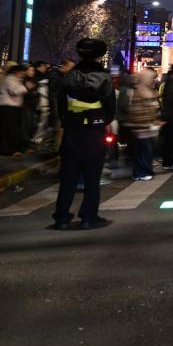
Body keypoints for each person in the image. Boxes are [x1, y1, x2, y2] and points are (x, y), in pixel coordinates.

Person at [51, 38, 117, 230]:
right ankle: (89, 217)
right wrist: (102, 120)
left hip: (72, 131)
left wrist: (66, 121)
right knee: (92, 177)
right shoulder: (103, 78)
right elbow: (110, 108)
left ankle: (62, 217)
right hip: (94, 132)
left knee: (68, 177)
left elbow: (61, 104)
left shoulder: (70, 76)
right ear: (100, 55)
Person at [118, 68, 161, 181]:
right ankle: (140, 173)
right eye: (152, 78)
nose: (153, 80)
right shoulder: (137, 91)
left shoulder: (149, 90)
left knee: (146, 151)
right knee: (142, 151)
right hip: (140, 127)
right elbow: (136, 110)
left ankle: (144, 171)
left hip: (149, 127)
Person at [0, 64, 29, 155]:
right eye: (22, 72)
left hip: (12, 107)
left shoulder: (16, 80)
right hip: (7, 107)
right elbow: (14, 91)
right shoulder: (9, 79)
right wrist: (26, 87)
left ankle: (10, 149)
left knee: (10, 129)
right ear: (16, 72)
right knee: (7, 130)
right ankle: (7, 150)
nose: (23, 74)